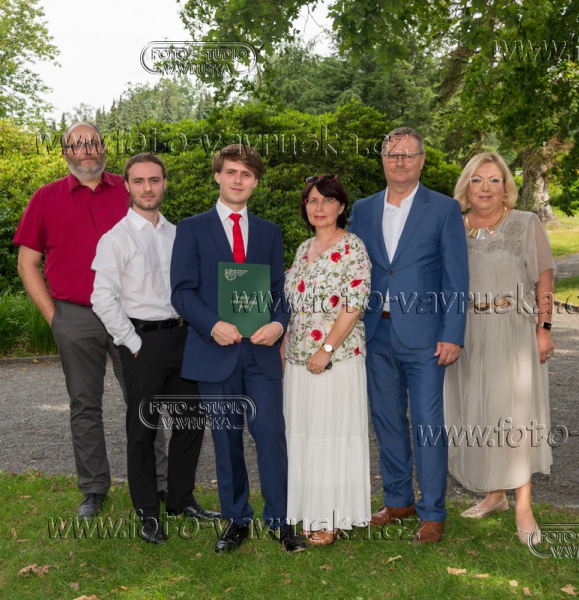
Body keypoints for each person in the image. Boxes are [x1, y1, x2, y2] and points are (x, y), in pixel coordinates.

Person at [14, 123, 167, 519]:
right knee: (85, 405)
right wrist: (55, 318)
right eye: (77, 144)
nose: (87, 150)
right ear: (64, 151)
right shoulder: (46, 198)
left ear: (104, 147)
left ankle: (159, 481)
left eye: (93, 143)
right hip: (75, 316)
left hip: (130, 315)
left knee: (144, 398)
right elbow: (27, 263)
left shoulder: (129, 189)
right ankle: (94, 488)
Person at [170, 144, 305, 553]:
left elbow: (280, 291)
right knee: (226, 439)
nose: (237, 180)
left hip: (260, 353)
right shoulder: (192, 228)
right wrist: (213, 325)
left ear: (255, 181)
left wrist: (279, 323)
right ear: (217, 176)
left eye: (246, 174)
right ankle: (236, 519)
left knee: (271, 435)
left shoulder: (269, 232)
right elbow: (182, 292)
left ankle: (281, 521)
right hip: (215, 352)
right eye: (230, 172)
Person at [347, 127, 469, 544]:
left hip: (426, 337)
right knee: (386, 420)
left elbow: (456, 278)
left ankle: (433, 510)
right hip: (375, 332)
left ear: (422, 160)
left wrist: (453, 333)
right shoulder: (363, 209)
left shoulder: (444, 209)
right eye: (392, 155)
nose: (400, 162)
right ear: (382, 160)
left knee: (428, 424)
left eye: (408, 155)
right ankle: (398, 500)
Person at [90, 152, 220, 544]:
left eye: (154, 180)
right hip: (142, 342)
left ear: (164, 184)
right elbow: (102, 298)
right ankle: (148, 512)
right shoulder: (115, 239)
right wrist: (133, 343)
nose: (147, 188)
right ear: (128, 186)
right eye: (139, 181)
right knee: (143, 430)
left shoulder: (178, 234)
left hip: (183, 337)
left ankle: (180, 499)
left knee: (191, 421)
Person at [444, 152, 555, 546]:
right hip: (467, 333)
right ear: (466, 187)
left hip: (512, 332)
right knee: (478, 413)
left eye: (494, 180)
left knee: (514, 416)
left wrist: (544, 329)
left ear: (506, 186)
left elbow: (544, 281)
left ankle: (523, 505)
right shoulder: (453, 228)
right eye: (477, 180)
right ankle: (495, 495)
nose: (485, 188)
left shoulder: (525, 224)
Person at [282, 174, 372, 546]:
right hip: (298, 359)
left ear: (341, 206)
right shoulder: (303, 248)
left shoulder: (352, 247)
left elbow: (354, 305)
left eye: (327, 200)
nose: (319, 207)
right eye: (312, 201)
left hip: (337, 359)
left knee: (330, 435)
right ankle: (308, 508)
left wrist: (327, 349)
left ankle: (331, 516)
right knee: (303, 435)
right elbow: (296, 303)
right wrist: (285, 342)